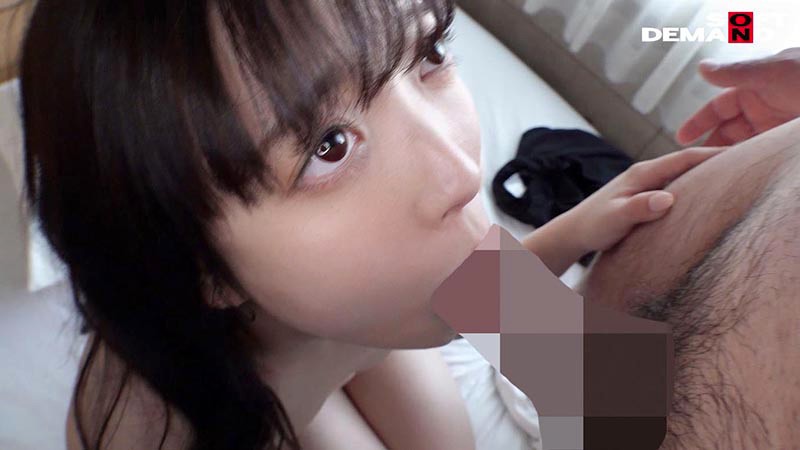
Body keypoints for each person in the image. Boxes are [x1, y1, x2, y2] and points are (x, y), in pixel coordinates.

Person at [18, 1, 723, 449]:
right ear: (201, 265)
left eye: (430, 55)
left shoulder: (391, 278)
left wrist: (575, 232)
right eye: (329, 146)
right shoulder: (159, 426)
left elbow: (617, 392)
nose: (459, 171)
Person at [579, 48, 800, 449]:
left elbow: (479, 292)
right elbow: (481, 294)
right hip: (548, 378)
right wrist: (572, 232)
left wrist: (568, 234)